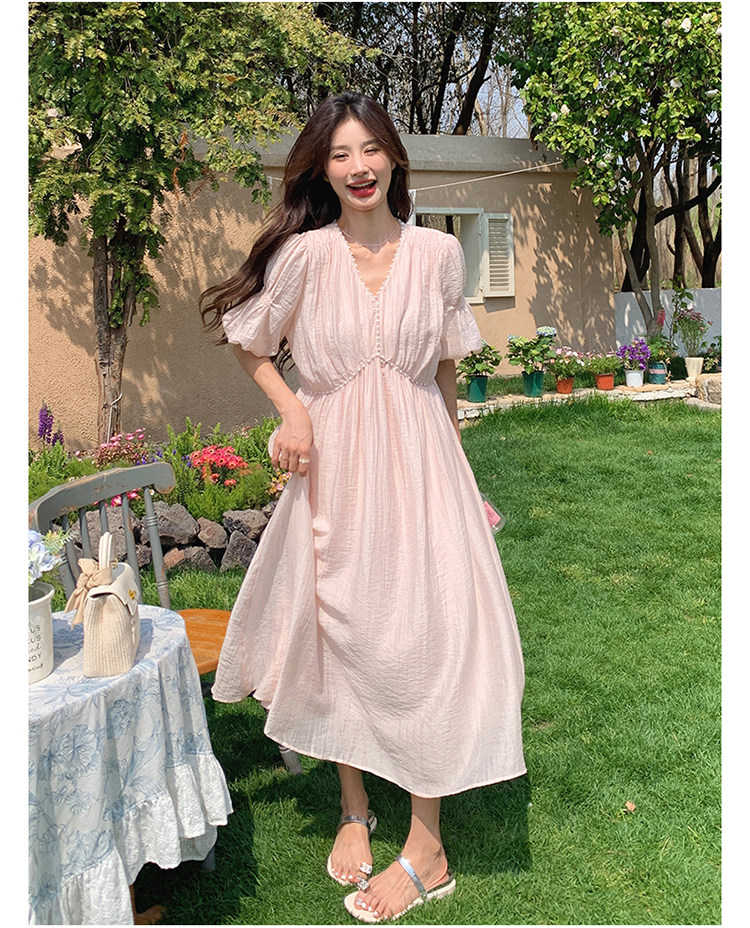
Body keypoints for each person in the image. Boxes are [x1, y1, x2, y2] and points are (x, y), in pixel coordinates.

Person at [201, 91, 526, 923]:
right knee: (339, 625)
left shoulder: (439, 255)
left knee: (426, 635)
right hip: (336, 468)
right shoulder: (305, 256)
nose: (358, 167)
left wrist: (458, 472)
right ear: (322, 169)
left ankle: (428, 843)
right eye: (339, 154)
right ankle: (354, 806)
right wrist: (293, 410)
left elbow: (445, 369)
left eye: (370, 149)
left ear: (394, 157)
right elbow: (248, 340)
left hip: (421, 464)